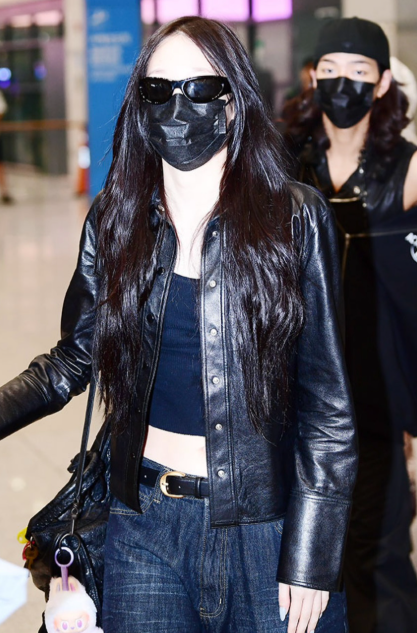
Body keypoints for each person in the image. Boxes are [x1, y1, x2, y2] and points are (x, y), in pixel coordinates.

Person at [0, 17, 357, 633]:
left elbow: (328, 405)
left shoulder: (293, 218)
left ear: (234, 98)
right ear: (139, 104)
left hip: (264, 529)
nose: (178, 106)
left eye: (200, 88)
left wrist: (312, 554)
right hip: (142, 523)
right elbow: (73, 359)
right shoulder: (115, 219)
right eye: (159, 89)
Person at [282, 16, 417, 633]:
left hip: (376, 393)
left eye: (359, 71)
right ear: (312, 77)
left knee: (378, 548)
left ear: (383, 82)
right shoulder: (284, 164)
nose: (343, 84)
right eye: (330, 70)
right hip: (296, 391)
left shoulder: (405, 169)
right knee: (302, 551)